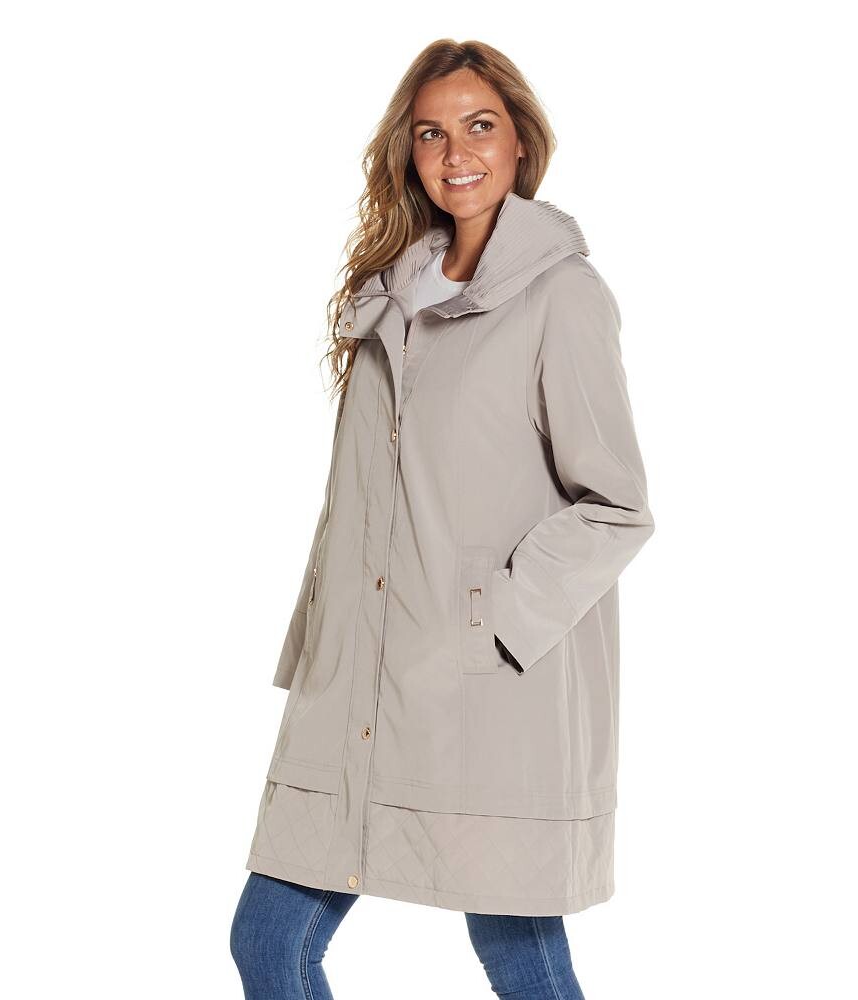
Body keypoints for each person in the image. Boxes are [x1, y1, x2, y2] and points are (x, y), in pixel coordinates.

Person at [230, 38, 656, 1000]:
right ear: (409, 151)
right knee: (268, 941)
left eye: (479, 126)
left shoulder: (561, 293)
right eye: (431, 133)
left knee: (517, 954)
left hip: (483, 693)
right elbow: (355, 503)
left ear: (520, 143)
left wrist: (488, 620)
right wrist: (320, 640)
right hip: (354, 686)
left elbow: (618, 506)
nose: (455, 153)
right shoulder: (389, 294)